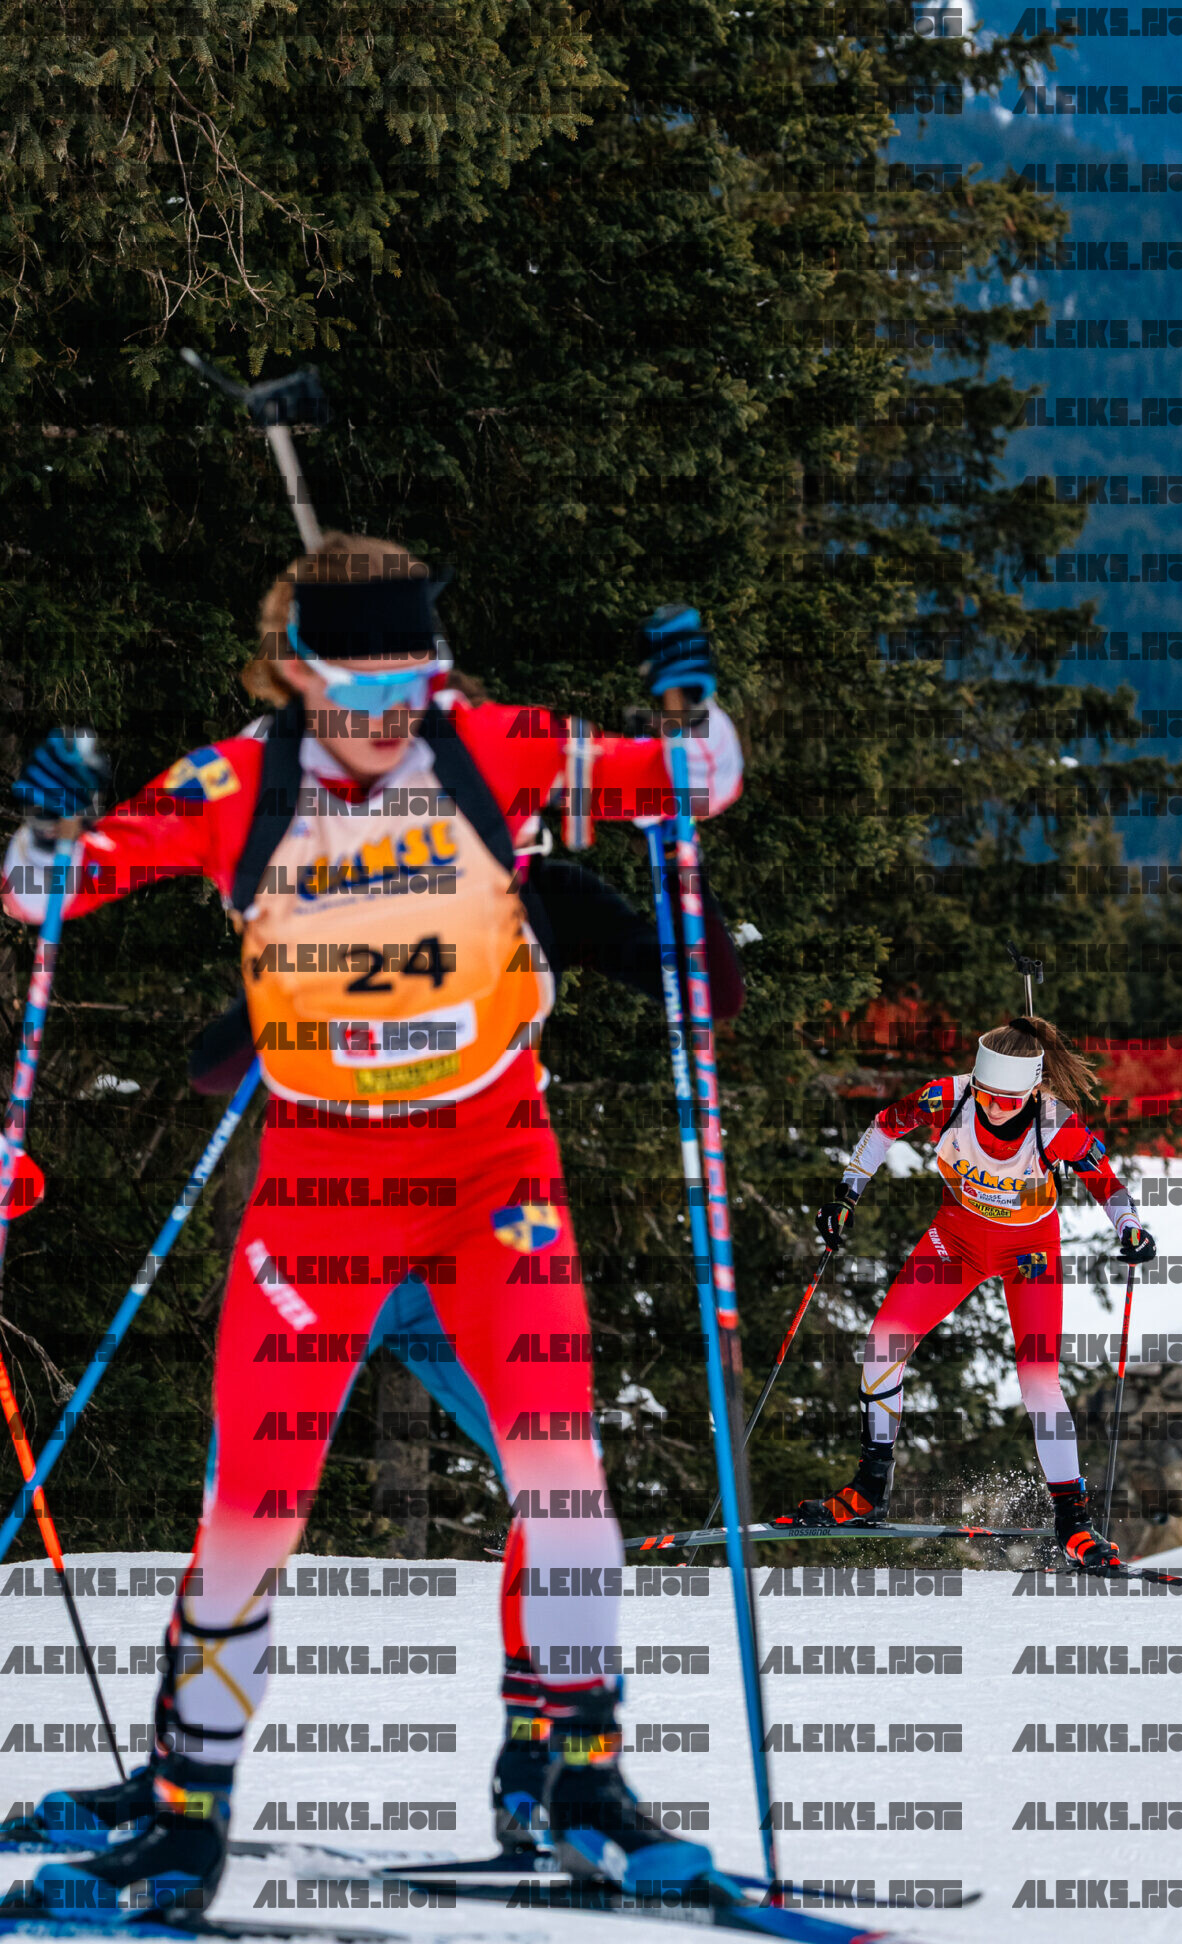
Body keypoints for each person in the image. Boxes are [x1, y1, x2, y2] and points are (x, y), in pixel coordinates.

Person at [1, 537, 748, 1916]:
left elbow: (697, 783)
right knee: (252, 1514)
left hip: (492, 1172)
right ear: (295, 673)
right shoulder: (234, 783)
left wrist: (691, 710)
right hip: (323, 1183)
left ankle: (576, 1782)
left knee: (566, 1483)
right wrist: (45, 829)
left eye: (418, 679)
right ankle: (181, 1817)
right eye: (364, 687)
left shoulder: (495, 747)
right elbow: (39, 890)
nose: (394, 712)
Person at [803, 1016, 1155, 1573]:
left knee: (1038, 1381)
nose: (993, 1108)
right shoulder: (949, 1097)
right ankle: (869, 1489)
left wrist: (1130, 1227)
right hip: (955, 1242)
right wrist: (846, 1195)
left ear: (1033, 1091)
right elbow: (883, 1126)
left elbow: (1106, 1181)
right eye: (986, 1094)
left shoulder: (1055, 1124)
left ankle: (1074, 1522)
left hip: (1029, 1254)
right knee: (882, 1347)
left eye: (1008, 1100)